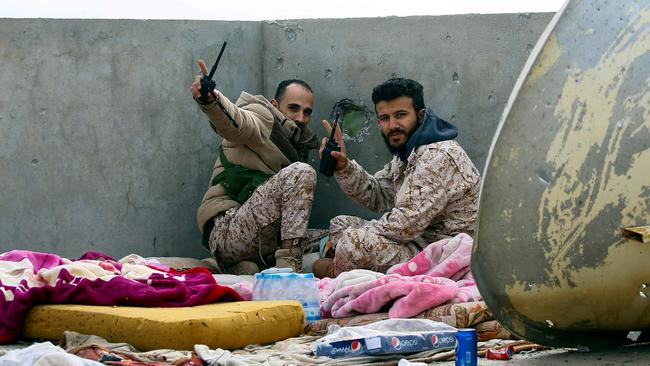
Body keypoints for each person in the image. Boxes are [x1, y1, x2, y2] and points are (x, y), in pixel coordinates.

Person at [314, 78, 481, 277]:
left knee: (353, 243)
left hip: (444, 252)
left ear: (420, 116)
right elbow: (378, 195)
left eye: (400, 115)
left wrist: (356, 238)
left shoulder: (438, 155)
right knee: (340, 224)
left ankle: (338, 269)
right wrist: (343, 166)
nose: (392, 125)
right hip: (417, 239)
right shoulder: (407, 153)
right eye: (384, 118)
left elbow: (404, 226)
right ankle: (346, 262)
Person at [191, 59, 319, 274]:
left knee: (339, 232)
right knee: (301, 172)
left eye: (307, 112)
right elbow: (238, 122)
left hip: (262, 236)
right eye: (294, 108)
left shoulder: (298, 142)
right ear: (275, 104)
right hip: (228, 230)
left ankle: (246, 267)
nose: (300, 117)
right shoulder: (263, 115)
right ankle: (288, 273)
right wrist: (212, 100)